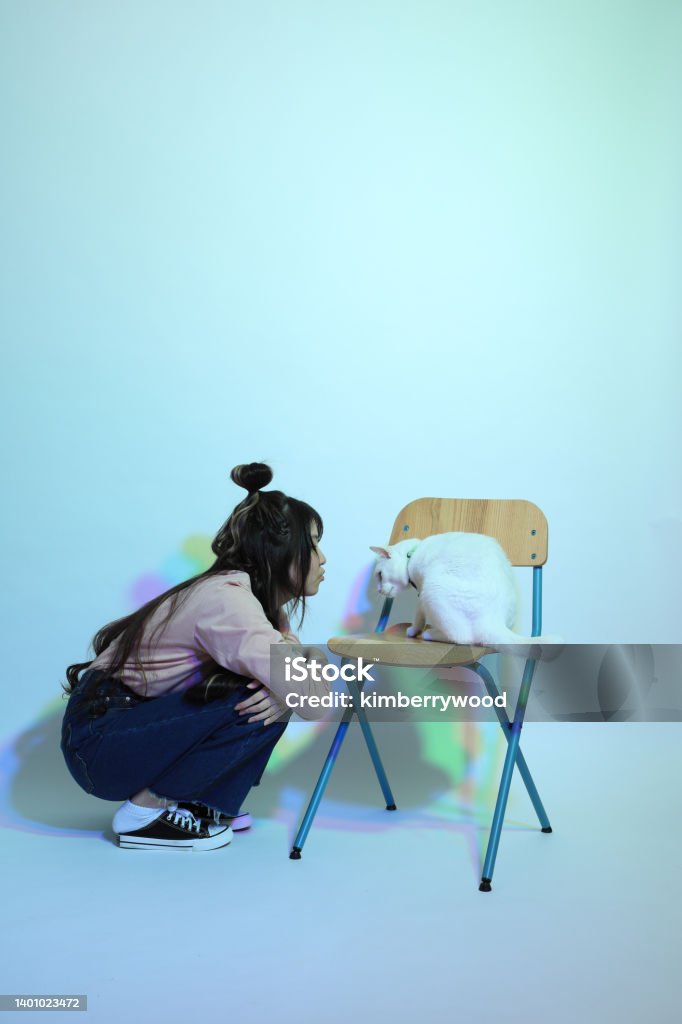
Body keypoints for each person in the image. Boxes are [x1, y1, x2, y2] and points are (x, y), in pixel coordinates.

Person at [60, 462, 328, 851]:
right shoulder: (228, 602)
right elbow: (316, 702)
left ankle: (201, 803)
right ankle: (144, 815)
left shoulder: (257, 604)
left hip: (127, 728)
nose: (323, 558)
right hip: (99, 745)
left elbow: (303, 690)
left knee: (271, 690)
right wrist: (296, 674)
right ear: (279, 551)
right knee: (253, 695)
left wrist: (290, 678)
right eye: (314, 543)